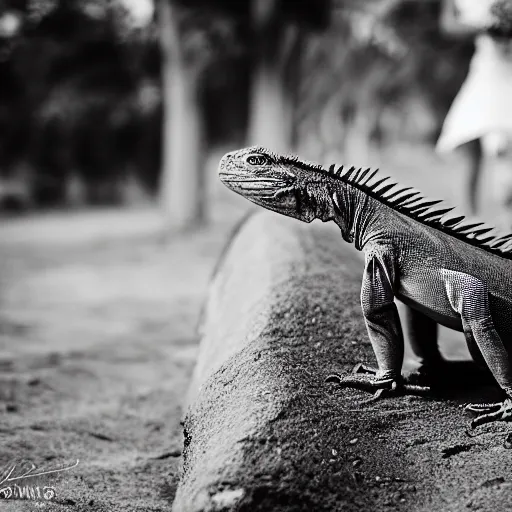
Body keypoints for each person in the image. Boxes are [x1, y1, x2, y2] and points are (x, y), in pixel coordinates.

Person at [437, 0, 512, 222]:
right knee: (468, 139)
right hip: (486, 69)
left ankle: (503, 202)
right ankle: (468, 221)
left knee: (500, 141)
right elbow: (448, 24)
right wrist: (486, 27)